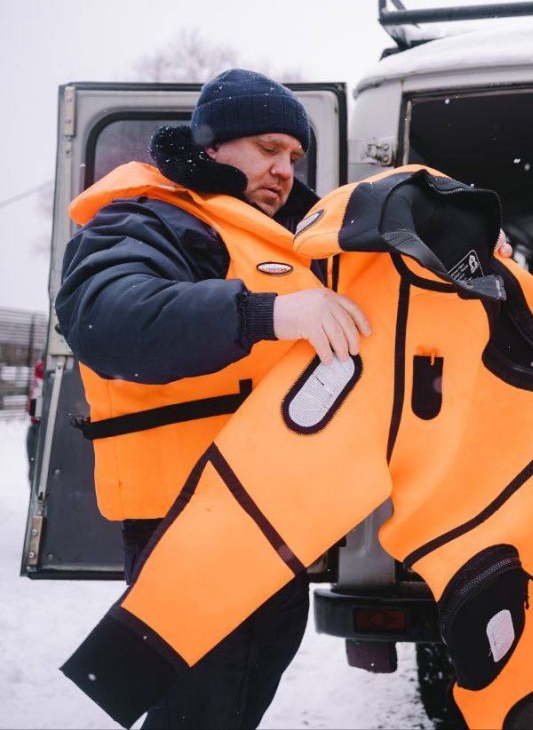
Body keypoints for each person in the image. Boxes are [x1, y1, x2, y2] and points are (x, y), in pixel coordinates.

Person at [55, 69, 372, 729]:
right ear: (213, 147)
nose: (285, 169)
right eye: (268, 148)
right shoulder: (150, 217)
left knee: (235, 694)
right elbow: (108, 318)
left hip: (268, 518)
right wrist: (265, 315)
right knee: (204, 708)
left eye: (294, 156)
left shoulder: (290, 243)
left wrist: (473, 262)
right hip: (190, 520)